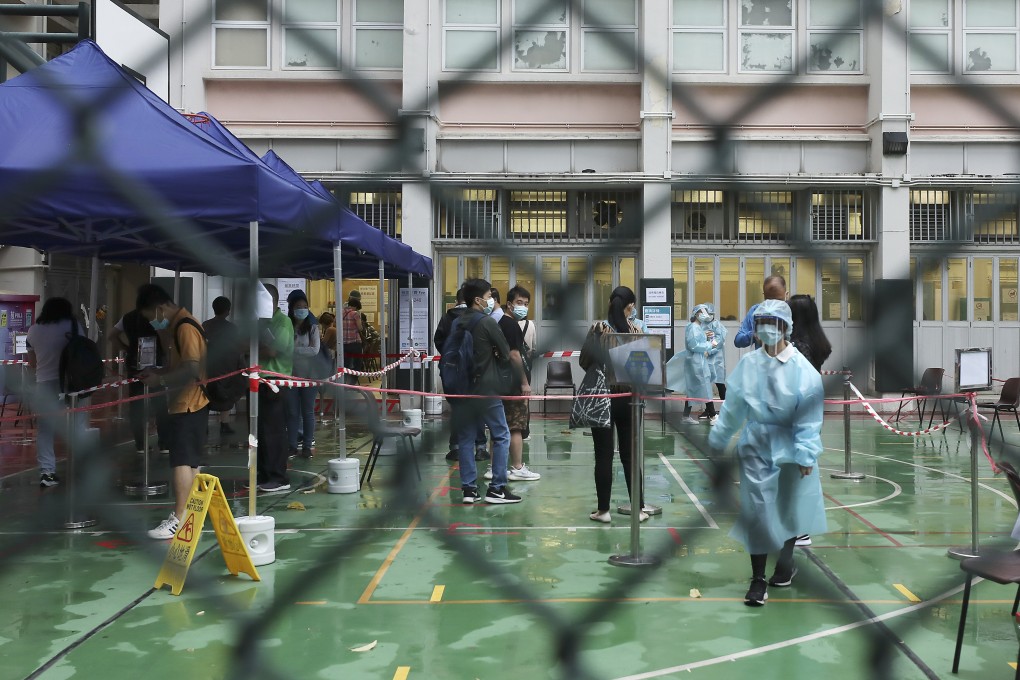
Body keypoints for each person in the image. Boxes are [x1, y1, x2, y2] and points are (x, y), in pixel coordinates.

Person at [707, 299, 826, 607]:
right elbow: (733, 408)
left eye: (772, 324)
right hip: (756, 444)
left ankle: (784, 565)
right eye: (760, 324)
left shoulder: (802, 369)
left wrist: (805, 454)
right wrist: (718, 439)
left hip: (790, 442)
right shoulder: (749, 365)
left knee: (788, 510)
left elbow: (809, 415)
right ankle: (758, 578)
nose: (765, 331)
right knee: (758, 511)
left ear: (785, 327)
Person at [137, 284, 210, 539]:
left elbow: (191, 368)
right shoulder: (182, 325)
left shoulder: (185, 327)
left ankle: (179, 518)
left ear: (159, 308)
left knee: (181, 460)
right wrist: (161, 374)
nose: (154, 323)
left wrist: (161, 381)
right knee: (190, 461)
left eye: (151, 317)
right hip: (191, 401)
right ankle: (191, 515)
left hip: (188, 401)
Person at [581, 286, 648, 524]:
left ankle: (603, 511)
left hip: (603, 397)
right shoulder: (637, 331)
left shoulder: (599, 329)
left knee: (603, 455)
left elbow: (584, 361)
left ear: (610, 303)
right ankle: (638, 509)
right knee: (630, 456)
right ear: (630, 307)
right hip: (629, 398)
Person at [454, 278, 521, 504]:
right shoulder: (487, 322)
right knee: (501, 435)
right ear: (477, 300)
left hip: (461, 389)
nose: (490, 300)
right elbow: (505, 352)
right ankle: (497, 488)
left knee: (465, 438)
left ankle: (469, 490)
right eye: (487, 296)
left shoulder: (455, 321)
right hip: (486, 387)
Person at [787, 294, 833, 548]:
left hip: (798, 409)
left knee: (799, 469)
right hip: (810, 408)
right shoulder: (816, 343)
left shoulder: (798, 348)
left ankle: (800, 528)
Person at [485, 285, 540, 483]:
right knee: (516, 426)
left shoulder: (500, 322)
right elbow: (515, 355)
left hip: (500, 381)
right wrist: (524, 382)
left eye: (526, 304)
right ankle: (517, 467)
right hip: (513, 384)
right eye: (519, 303)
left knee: (498, 427)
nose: (523, 307)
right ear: (509, 304)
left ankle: (493, 467)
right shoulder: (510, 325)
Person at [25, 297, 81, 487]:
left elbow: (32, 363)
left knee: (45, 430)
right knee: (76, 425)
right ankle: (80, 468)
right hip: (72, 382)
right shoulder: (72, 325)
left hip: (44, 383)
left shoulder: (34, 330)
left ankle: (47, 473)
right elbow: (86, 347)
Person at [434, 286, 489, 463]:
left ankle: (456, 448)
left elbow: (439, 340)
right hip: (475, 371)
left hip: (452, 371)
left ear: (457, 300)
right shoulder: (479, 318)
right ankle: (480, 447)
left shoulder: (447, 317)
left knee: (457, 409)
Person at [111, 298, 171, 452]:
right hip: (155, 365)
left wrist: (126, 348)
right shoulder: (156, 316)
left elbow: (112, 335)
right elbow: (163, 336)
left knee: (136, 405)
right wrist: (166, 354)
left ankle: (140, 444)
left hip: (134, 365)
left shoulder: (127, 317)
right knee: (160, 405)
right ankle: (164, 442)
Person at [253, 284, 294, 493]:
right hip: (258, 382)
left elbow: (272, 351)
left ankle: (278, 476)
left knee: (274, 432)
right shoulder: (260, 322)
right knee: (260, 431)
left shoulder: (283, 322)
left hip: (275, 383)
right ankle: (263, 473)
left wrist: (254, 346)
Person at [202, 295, 243, 436]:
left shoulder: (205, 325)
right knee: (226, 394)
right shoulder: (232, 328)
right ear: (228, 311)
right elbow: (236, 347)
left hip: (209, 365)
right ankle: (224, 424)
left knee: (207, 394)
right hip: (227, 366)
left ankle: (204, 426)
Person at [287, 289, 320, 459]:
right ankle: (292, 445)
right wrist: (299, 351)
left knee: (307, 411)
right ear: (291, 308)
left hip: (310, 375)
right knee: (292, 412)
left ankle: (307, 445)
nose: (302, 309)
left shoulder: (313, 327)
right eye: (299, 306)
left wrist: (294, 350)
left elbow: (315, 350)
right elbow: (283, 349)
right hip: (291, 375)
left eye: (305, 306)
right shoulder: (287, 325)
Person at [682, 303, 719, 425]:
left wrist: (705, 337)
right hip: (696, 362)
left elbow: (697, 341)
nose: (706, 315)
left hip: (697, 360)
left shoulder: (697, 327)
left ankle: (686, 415)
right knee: (705, 386)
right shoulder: (693, 327)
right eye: (703, 312)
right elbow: (694, 345)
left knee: (693, 388)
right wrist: (710, 345)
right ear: (697, 314)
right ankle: (713, 415)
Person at [733, 275, 788, 349]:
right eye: (770, 301)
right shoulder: (755, 311)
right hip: (761, 359)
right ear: (764, 296)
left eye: (779, 300)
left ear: (786, 295)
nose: (774, 305)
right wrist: (754, 334)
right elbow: (738, 341)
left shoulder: (794, 312)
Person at [518, 299, 537, 441]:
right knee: (525, 400)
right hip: (526, 365)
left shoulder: (508, 324)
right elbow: (533, 346)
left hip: (511, 367)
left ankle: (514, 429)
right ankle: (525, 431)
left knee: (511, 400)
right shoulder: (530, 325)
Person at [704, 304, 728, 415]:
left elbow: (718, 341)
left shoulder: (717, 325)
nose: (707, 316)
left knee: (720, 384)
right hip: (705, 359)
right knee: (706, 385)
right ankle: (709, 410)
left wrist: (710, 350)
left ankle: (727, 410)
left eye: (709, 313)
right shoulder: (702, 325)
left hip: (716, 359)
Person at [341, 292, 364, 384]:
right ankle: (352, 383)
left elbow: (335, 324)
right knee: (357, 364)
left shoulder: (341, 312)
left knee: (345, 364)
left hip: (344, 343)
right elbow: (360, 328)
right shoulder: (355, 314)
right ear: (355, 306)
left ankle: (344, 383)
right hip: (355, 343)